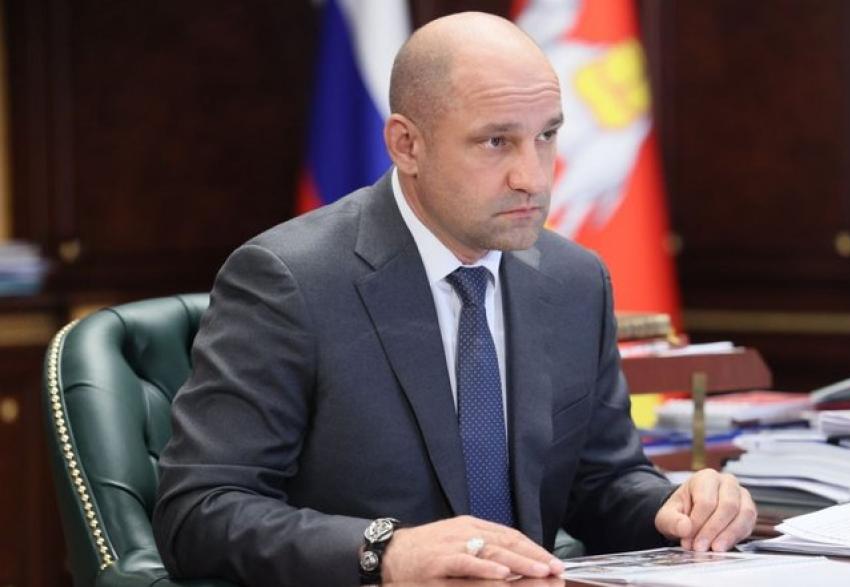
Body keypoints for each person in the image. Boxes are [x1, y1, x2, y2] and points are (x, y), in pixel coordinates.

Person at [154, 12, 756, 586]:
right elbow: (199, 511)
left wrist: (674, 508)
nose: (534, 177)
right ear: (406, 145)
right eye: (496, 141)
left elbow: (601, 482)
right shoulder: (289, 279)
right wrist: (383, 551)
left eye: (547, 136)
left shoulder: (574, 279)